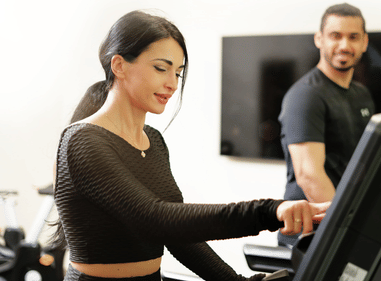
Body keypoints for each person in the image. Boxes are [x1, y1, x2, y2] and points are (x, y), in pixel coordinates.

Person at [52, 10, 330, 281]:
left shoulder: (154, 141)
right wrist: (268, 212)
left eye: (178, 73)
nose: (172, 83)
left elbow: (178, 237)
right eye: (161, 68)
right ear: (119, 66)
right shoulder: (82, 141)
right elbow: (156, 219)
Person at [277, 3, 375, 247]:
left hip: (345, 225)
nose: (344, 45)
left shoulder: (361, 94)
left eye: (353, 37)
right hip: (313, 234)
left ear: (364, 42)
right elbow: (309, 175)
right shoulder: (306, 96)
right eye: (335, 36)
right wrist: (346, 230)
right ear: (319, 39)